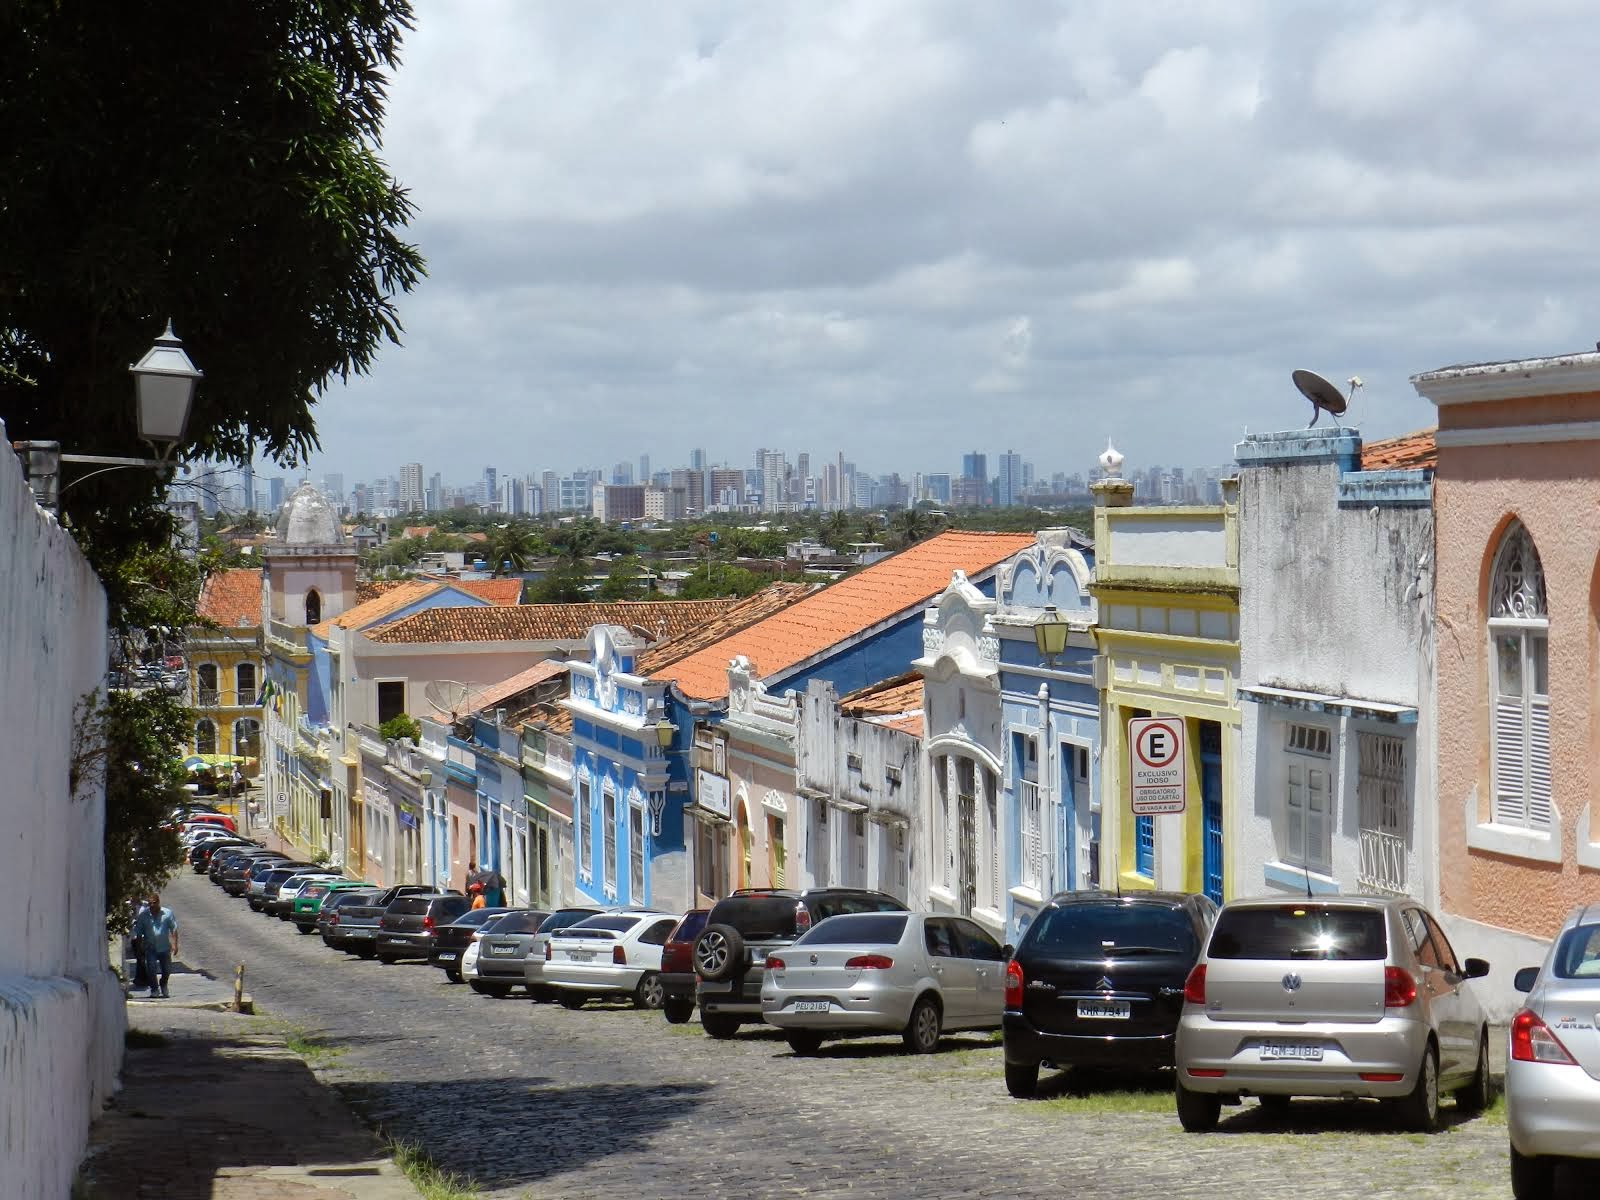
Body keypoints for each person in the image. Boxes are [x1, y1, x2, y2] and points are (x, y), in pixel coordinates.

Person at [133, 892, 179, 999]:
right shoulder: (143, 916)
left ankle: (163, 984)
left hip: (164, 947)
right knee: (151, 970)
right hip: (150, 948)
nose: (152, 905)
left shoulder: (167, 913)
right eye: (150, 903)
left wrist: (175, 944)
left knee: (167, 970)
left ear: (158, 902)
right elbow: (139, 933)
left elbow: (173, 929)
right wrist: (139, 949)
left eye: (154, 903)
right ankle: (154, 989)